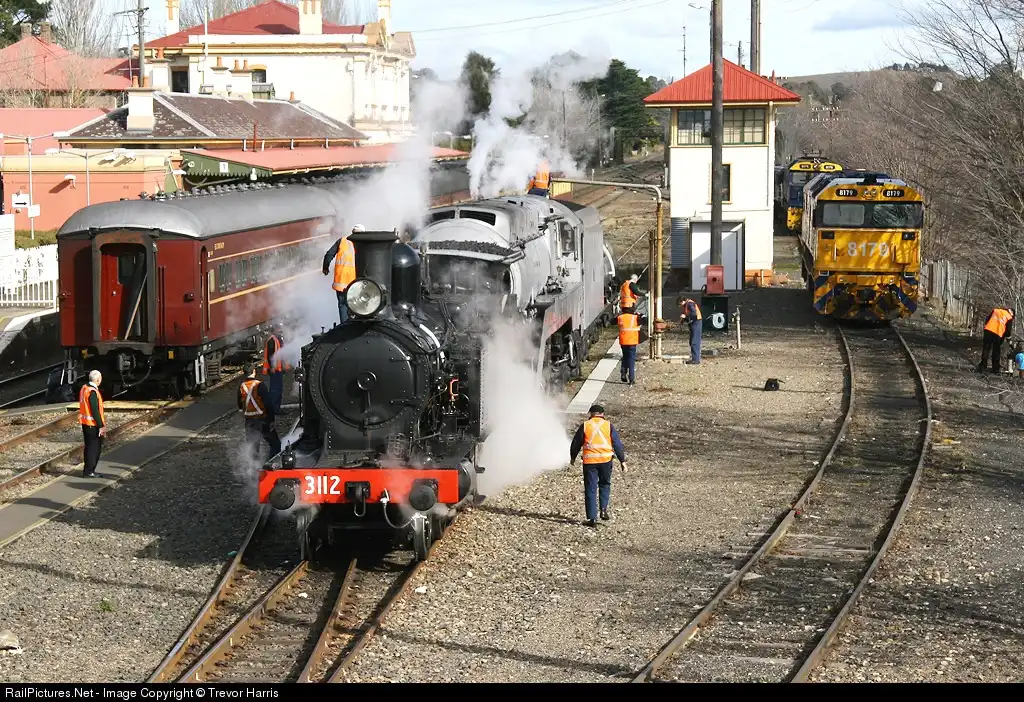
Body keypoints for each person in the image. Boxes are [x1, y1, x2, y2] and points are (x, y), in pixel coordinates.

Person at [569, 404, 628, 527]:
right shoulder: (608, 425)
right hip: (606, 460)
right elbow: (617, 444)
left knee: (590, 488)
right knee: (605, 484)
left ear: (591, 414)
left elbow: (576, 443)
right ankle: (603, 510)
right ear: (602, 414)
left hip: (590, 462)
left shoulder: (586, 425)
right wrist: (622, 461)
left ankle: (592, 519)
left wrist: (573, 457)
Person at [238, 363, 282, 460]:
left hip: (250, 422)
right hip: (263, 419)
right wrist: (271, 420)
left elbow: (240, 405)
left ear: (244, 373)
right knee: (275, 444)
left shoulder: (241, 386)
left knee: (253, 447)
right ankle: (272, 462)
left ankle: (254, 467)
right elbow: (268, 404)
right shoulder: (259, 385)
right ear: (254, 371)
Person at [322, 225, 360, 324]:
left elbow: (329, 254)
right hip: (355, 282)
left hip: (341, 282)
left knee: (342, 305)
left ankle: (344, 326)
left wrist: (325, 268)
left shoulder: (342, 241)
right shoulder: (362, 244)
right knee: (356, 305)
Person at [78, 369, 107, 478]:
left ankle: (87, 470)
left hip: (85, 423)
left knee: (89, 447)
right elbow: (95, 410)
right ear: (98, 380)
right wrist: (101, 426)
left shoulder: (84, 388)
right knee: (94, 448)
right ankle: (90, 471)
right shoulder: (92, 392)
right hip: (92, 425)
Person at [262, 324, 291, 414]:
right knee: (275, 390)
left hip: (279, 369)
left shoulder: (278, 339)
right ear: (274, 330)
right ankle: (274, 409)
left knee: (278, 389)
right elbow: (271, 355)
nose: (280, 331)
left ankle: (277, 408)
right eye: (278, 329)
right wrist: (272, 367)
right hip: (275, 369)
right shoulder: (272, 340)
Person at [977, 307, 1014, 373]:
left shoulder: (996, 310)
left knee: (986, 349)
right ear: (1012, 313)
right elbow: (1008, 331)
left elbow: (987, 320)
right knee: (996, 351)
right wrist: (1009, 340)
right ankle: (995, 368)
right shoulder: (1009, 317)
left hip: (988, 331)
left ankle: (982, 367)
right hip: (998, 334)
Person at [617, 305, 645, 385]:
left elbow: (612, 321)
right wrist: (642, 315)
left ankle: (623, 372)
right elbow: (645, 321)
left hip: (623, 341)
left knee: (625, 357)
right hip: (632, 342)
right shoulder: (635, 318)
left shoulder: (620, 317)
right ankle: (631, 379)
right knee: (631, 360)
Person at [679, 297, 703, 365]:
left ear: (683, 301)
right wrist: (683, 319)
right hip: (694, 324)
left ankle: (696, 360)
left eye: (680, 304)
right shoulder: (687, 305)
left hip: (696, 323)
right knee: (692, 341)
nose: (681, 306)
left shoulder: (690, 304)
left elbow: (694, 314)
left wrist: (685, 317)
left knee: (694, 341)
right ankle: (695, 358)